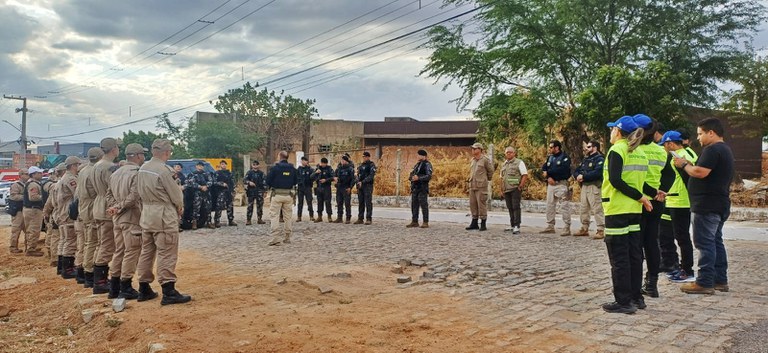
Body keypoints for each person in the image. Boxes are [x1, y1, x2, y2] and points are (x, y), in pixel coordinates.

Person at [673, 118, 734, 295]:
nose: (698, 138)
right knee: (715, 241)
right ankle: (719, 279)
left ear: (711, 133)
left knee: (704, 243)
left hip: (706, 205)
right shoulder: (725, 149)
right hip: (719, 203)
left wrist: (684, 164)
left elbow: (700, 172)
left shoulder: (713, 150)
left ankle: (705, 281)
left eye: (700, 133)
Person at [601, 116, 652, 314]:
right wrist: (650, 194)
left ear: (619, 131)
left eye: (612, 129)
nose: (610, 132)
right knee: (634, 256)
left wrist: (641, 197)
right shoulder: (639, 152)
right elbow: (641, 181)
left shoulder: (617, 150)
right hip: (633, 212)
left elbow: (615, 180)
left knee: (619, 257)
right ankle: (636, 297)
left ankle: (623, 301)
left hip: (617, 210)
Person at [137, 139, 191, 305]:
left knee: (147, 252)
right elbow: (176, 195)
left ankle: (143, 287)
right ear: (167, 153)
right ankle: (168, 290)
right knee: (167, 251)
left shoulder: (143, 168)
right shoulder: (165, 171)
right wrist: (180, 207)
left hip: (147, 215)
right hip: (163, 215)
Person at [633, 114, 675, 298]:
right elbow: (670, 174)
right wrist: (661, 192)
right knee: (651, 242)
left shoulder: (634, 150)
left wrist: (651, 193)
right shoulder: (660, 151)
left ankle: (635, 287)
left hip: (639, 200)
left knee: (636, 244)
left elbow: (633, 179)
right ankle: (652, 283)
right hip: (656, 201)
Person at [107, 143, 147, 300]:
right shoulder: (137, 173)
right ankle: (126, 285)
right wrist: (120, 207)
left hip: (117, 218)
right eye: (142, 155)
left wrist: (115, 207)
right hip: (131, 217)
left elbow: (108, 195)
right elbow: (134, 196)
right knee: (132, 251)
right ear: (137, 156)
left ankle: (114, 286)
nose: (144, 157)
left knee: (120, 251)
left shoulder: (116, 173)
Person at [659, 130, 697, 283]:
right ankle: (683, 268)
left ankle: (687, 270)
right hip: (678, 200)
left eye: (665, 145)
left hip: (679, 201)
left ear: (670, 143)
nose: (664, 148)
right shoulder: (686, 154)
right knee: (681, 236)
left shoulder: (678, 157)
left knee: (682, 238)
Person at [92, 137, 120, 296]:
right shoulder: (109, 167)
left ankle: (100, 280)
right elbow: (113, 188)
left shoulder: (97, 165)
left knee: (103, 243)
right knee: (108, 245)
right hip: (107, 206)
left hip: (98, 204)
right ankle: (100, 282)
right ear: (113, 149)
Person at [78, 147, 105, 288]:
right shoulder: (95, 171)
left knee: (89, 242)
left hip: (84, 207)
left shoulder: (82, 171)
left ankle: (86, 272)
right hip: (92, 207)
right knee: (94, 242)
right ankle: (90, 272)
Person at [573, 141, 605, 239]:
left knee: (597, 208)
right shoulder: (586, 159)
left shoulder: (599, 159)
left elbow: (598, 172)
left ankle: (600, 230)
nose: (586, 148)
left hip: (594, 186)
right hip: (585, 186)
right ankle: (584, 228)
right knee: (583, 208)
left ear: (595, 148)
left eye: (589, 146)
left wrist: (584, 176)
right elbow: (577, 170)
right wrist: (578, 176)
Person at [541, 140, 573, 236]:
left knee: (564, 206)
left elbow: (562, 170)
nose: (549, 149)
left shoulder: (565, 157)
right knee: (550, 205)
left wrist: (549, 173)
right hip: (551, 185)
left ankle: (567, 227)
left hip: (561, 184)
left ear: (557, 148)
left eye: (551, 147)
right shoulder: (550, 158)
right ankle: (550, 226)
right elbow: (544, 168)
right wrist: (548, 177)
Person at [266, 151, 298, 246]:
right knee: (288, 216)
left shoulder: (275, 168)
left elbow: (268, 180)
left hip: (277, 195)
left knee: (274, 216)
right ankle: (287, 237)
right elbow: (296, 181)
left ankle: (275, 238)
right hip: (288, 195)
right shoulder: (293, 168)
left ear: (280, 156)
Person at [57, 156, 81, 279]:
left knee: (67, 240)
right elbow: (78, 193)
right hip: (69, 213)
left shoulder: (64, 178)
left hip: (64, 212)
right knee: (71, 241)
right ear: (73, 166)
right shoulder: (70, 178)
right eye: (78, 165)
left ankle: (63, 267)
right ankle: (68, 269)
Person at [466, 143, 495, 231]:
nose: (473, 150)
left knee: (481, 204)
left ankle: (483, 223)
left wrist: (486, 179)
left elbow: (490, 171)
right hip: (472, 185)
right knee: (473, 204)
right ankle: (474, 222)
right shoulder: (473, 160)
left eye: (475, 149)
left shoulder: (485, 160)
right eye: (472, 149)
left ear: (480, 149)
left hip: (481, 186)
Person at [500, 147, 528, 234]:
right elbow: (501, 178)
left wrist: (520, 186)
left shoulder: (519, 162)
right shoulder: (504, 164)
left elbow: (524, 175)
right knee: (510, 207)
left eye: (510, 152)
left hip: (515, 188)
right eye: (507, 152)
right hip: (506, 189)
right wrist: (501, 189)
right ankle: (512, 225)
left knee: (516, 207)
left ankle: (517, 226)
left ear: (514, 153)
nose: (508, 154)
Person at [43, 163, 66, 268]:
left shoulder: (55, 186)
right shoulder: (61, 185)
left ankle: (54, 258)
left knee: (55, 236)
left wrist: (46, 213)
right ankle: (57, 259)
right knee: (60, 237)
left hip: (56, 214)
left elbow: (49, 203)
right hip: (63, 214)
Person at [22, 166, 46, 256]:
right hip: (34, 209)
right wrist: (44, 198)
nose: (41, 174)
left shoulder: (31, 183)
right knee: (34, 229)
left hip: (29, 209)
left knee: (29, 229)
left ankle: (30, 247)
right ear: (33, 174)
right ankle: (31, 249)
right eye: (39, 173)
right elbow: (33, 197)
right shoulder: (33, 184)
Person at [407, 149, 433, 228]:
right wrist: (412, 178)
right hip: (415, 187)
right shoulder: (417, 165)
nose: (417, 156)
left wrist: (419, 178)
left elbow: (428, 176)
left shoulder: (427, 164)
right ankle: (414, 221)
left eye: (419, 155)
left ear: (423, 156)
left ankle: (425, 221)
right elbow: (411, 174)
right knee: (414, 205)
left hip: (422, 188)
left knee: (423, 205)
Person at [186, 161, 214, 229]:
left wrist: (206, 186)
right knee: (196, 208)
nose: (200, 167)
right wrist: (200, 187)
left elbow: (211, 181)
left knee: (208, 208)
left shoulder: (207, 174)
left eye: (201, 166)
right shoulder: (192, 174)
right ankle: (194, 223)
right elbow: (191, 182)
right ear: (196, 166)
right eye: (199, 165)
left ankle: (209, 222)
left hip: (206, 193)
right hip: (197, 193)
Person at [8, 168, 29, 253]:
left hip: (26, 210)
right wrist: (26, 198)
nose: (27, 175)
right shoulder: (16, 185)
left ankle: (29, 247)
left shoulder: (28, 184)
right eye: (25, 174)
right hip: (18, 211)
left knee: (28, 230)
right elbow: (13, 196)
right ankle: (13, 247)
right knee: (16, 230)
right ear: (20, 175)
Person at [212, 160, 236, 227]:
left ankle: (231, 220)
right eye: (222, 164)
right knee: (219, 207)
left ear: (226, 165)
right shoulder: (217, 173)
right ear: (220, 165)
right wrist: (222, 184)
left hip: (229, 192)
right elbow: (214, 182)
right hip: (221, 192)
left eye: (224, 164)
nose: (223, 165)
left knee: (230, 206)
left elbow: (233, 183)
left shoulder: (230, 173)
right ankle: (217, 221)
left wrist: (233, 191)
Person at [355, 151, 376, 225]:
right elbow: (357, 175)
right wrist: (358, 182)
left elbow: (371, 176)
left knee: (368, 202)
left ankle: (368, 218)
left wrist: (363, 182)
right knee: (361, 202)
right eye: (363, 157)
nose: (364, 158)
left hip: (367, 186)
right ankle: (360, 218)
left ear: (368, 157)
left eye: (365, 157)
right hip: (360, 186)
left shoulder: (371, 165)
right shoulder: (361, 165)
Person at [333, 156, 355, 224]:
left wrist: (350, 187)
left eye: (343, 160)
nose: (342, 161)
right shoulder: (339, 168)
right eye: (341, 160)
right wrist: (335, 180)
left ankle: (348, 218)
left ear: (346, 161)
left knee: (347, 204)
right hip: (339, 188)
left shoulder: (350, 169)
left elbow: (353, 179)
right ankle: (339, 218)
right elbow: (335, 176)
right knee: (339, 203)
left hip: (346, 187)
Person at [244, 160, 267, 225]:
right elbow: (245, 180)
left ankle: (259, 219)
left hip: (259, 191)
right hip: (251, 191)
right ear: (252, 165)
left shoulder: (261, 173)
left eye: (256, 165)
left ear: (258, 165)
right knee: (250, 206)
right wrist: (249, 182)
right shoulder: (249, 173)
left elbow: (265, 182)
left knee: (260, 206)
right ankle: (248, 220)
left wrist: (265, 191)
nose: (255, 166)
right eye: (254, 165)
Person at [312, 158, 334, 223]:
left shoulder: (329, 169)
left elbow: (333, 177)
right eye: (321, 163)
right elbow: (311, 177)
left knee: (327, 202)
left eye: (323, 163)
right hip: (319, 188)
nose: (322, 164)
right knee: (319, 202)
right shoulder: (318, 168)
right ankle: (319, 216)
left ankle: (329, 216)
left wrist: (326, 180)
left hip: (326, 188)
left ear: (326, 163)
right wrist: (316, 173)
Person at [295, 157, 314, 222]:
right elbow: (296, 178)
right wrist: (299, 182)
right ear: (301, 161)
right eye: (303, 160)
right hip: (300, 188)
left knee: (309, 202)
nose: (304, 162)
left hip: (308, 187)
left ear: (307, 161)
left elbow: (313, 177)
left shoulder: (310, 169)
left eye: (305, 161)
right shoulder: (299, 169)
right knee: (300, 203)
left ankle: (311, 216)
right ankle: (299, 217)